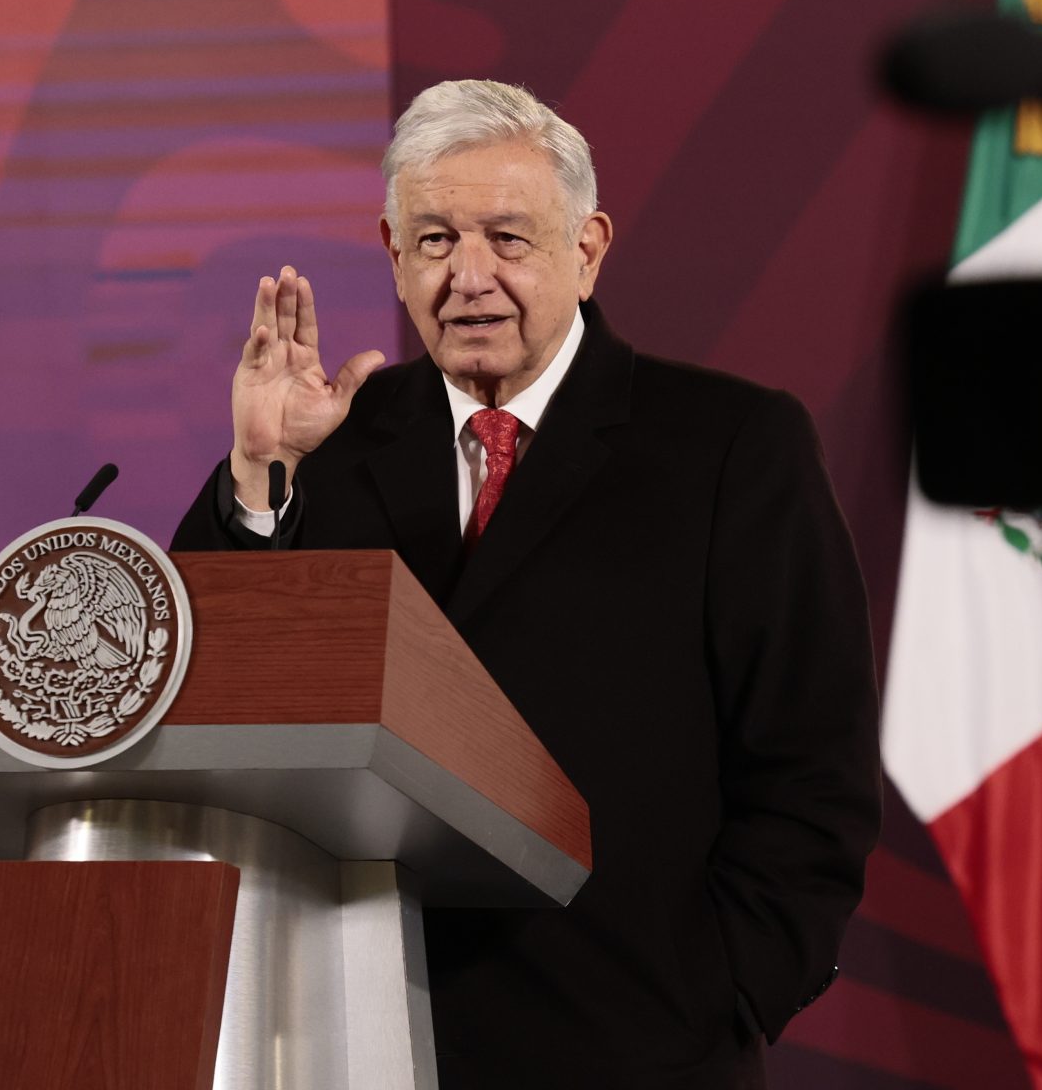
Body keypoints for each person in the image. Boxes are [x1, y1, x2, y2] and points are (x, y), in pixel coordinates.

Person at [173, 80, 880, 1089]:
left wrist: (735, 981)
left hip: (636, 1039)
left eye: (507, 238)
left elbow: (814, 757)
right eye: (433, 239)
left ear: (586, 248)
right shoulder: (331, 434)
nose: (469, 276)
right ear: (391, 251)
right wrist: (257, 473)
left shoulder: (728, 444)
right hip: (355, 1030)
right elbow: (201, 688)